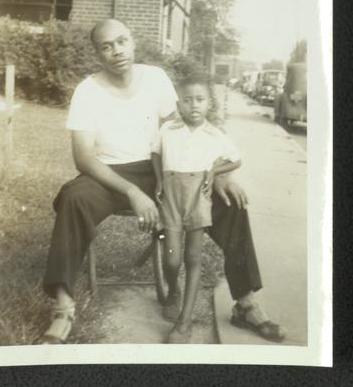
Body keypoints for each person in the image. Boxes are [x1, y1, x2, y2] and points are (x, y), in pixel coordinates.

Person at [39, 18, 285, 344]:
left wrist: (219, 173)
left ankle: (245, 302)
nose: (117, 51)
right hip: (111, 175)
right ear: (98, 53)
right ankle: (64, 306)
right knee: (74, 197)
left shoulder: (154, 79)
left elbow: (185, 130)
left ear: (133, 42)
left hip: (165, 170)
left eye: (122, 41)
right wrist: (132, 192)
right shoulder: (88, 91)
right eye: (106, 46)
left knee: (230, 202)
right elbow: (84, 158)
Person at [152, 75, 242, 343]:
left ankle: (185, 321)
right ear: (179, 105)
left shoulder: (215, 135)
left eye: (200, 100)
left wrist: (213, 171)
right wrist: (158, 179)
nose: (194, 106)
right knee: (171, 258)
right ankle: (173, 291)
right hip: (171, 198)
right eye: (187, 100)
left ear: (208, 104)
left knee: (193, 259)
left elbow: (236, 160)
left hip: (197, 200)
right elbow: (156, 153)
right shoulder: (167, 130)